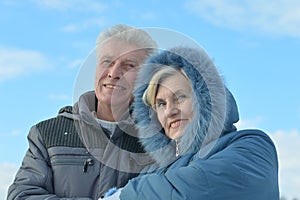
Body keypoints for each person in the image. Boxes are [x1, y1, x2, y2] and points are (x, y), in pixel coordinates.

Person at [103, 46, 280, 199]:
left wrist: (126, 195)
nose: (170, 111)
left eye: (180, 97)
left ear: (205, 100)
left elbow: (201, 188)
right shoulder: (154, 172)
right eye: (161, 104)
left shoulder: (252, 146)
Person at [7, 24, 158, 199]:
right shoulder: (48, 134)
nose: (114, 73)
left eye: (129, 65)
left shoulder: (158, 138)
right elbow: (22, 195)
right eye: (107, 62)